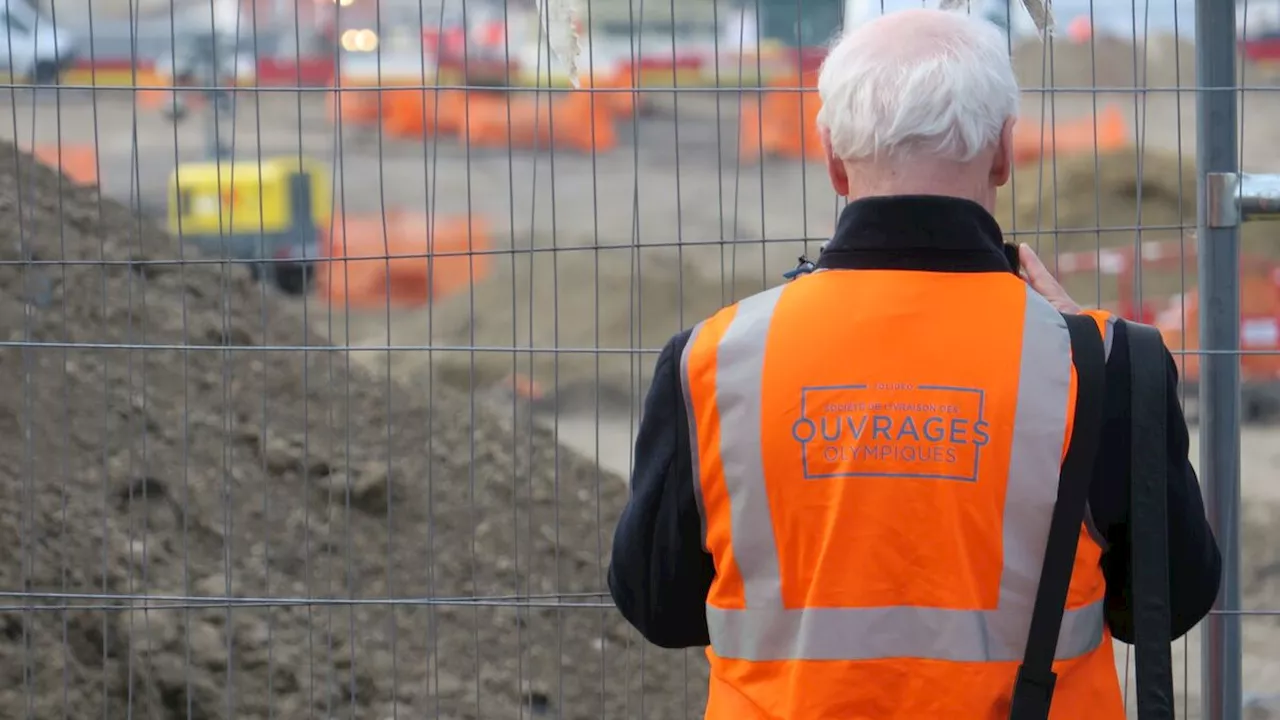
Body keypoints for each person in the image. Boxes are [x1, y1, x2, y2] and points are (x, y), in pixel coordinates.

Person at [606, 8, 1221, 720]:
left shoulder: (713, 362)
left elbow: (660, 607)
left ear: (833, 159)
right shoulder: (1105, 366)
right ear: (1002, 153)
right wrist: (1083, 341)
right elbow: (1167, 602)